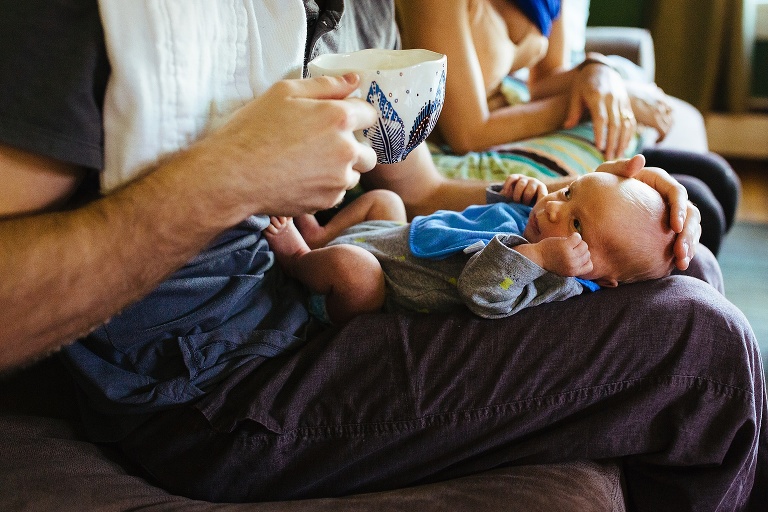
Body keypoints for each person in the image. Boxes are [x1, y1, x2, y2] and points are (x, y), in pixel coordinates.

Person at [0, 1, 765, 511]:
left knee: (683, 266)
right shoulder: (91, 17)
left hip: (313, 316)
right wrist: (226, 179)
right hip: (212, 382)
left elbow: (424, 188)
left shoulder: (363, 10)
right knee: (699, 349)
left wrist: (608, 202)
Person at [395, 0, 741, 255]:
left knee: (716, 179)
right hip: (454, 140)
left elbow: (545, 81)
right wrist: (597, 99)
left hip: (512, 112)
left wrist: (596, 70)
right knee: (702, 208)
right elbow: (467, 133)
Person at [265, 156, 676, 323]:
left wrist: (538, 258)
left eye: (577, 225)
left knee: (356, 274)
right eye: (568, 193)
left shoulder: (554, 280)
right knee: (386, 199)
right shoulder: (542, 221)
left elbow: (480, 291)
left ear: (602, 279)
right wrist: (514, 192)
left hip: (382, 282)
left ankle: (299, 260)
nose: (553, 207)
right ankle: (321, 234)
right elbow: (483, 219)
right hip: (392, 235)